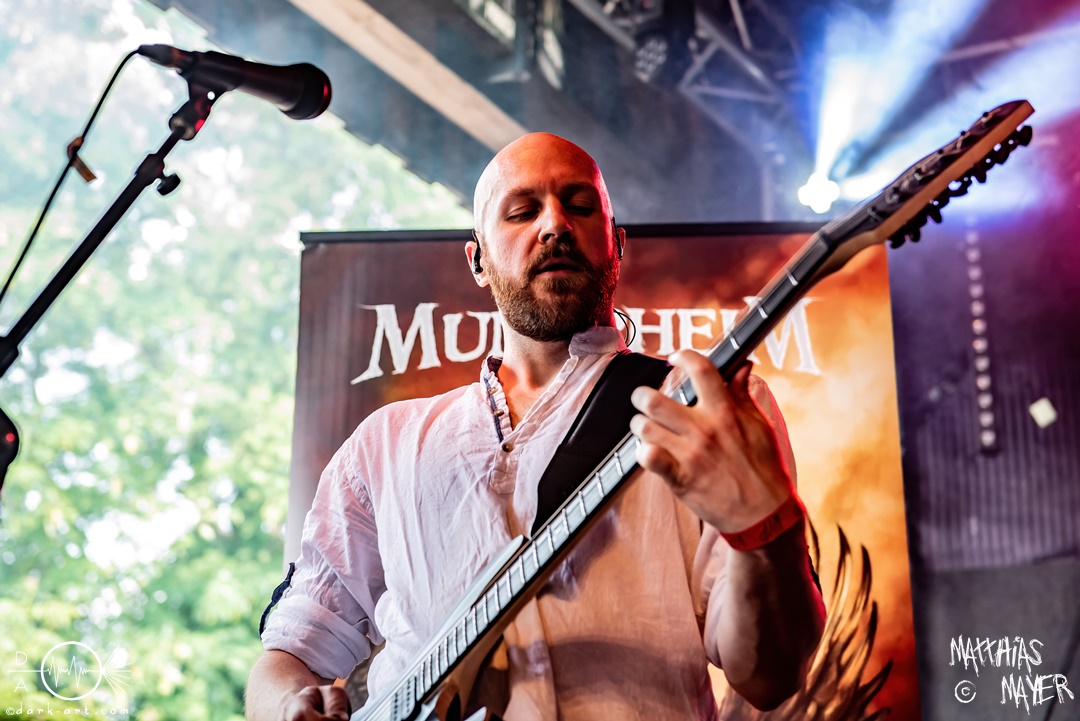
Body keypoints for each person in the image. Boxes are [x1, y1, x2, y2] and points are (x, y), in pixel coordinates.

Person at [246, 133, 825, 721]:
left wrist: (764, 532)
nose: (555, 225)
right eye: (522, 211)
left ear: (617, 244)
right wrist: (290, 706)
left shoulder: (709, 407)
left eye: (580, 206)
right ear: (477, 260)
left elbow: (769, 676)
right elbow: (288, 655)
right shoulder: (384, 443)